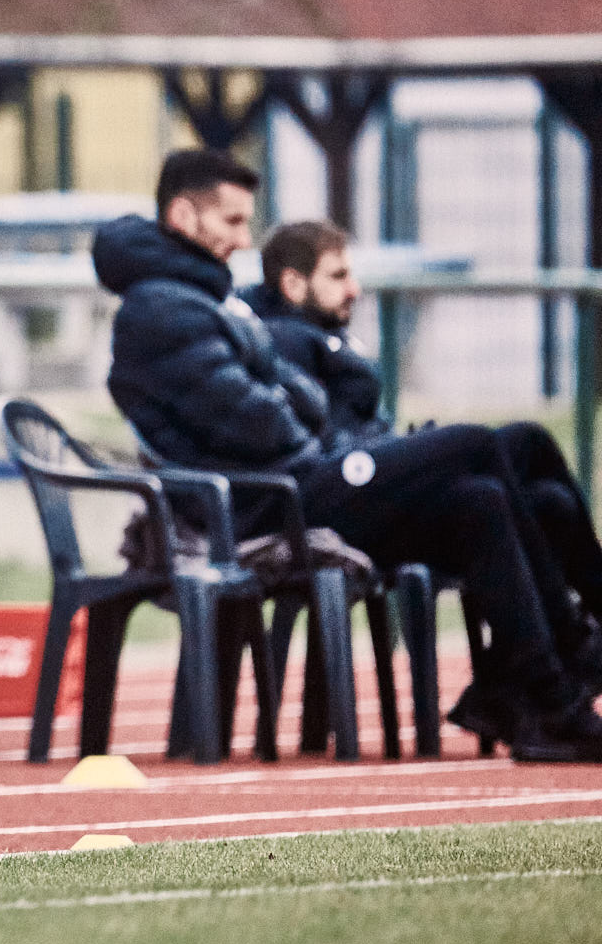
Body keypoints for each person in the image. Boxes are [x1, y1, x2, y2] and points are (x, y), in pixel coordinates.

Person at [94, 148, 602, 760]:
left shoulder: (204, 299)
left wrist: (293, 400)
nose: (243, 238)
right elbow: (260, 423)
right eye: (230, 222)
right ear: (182, 215)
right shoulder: (161, 308)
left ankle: (536, 700)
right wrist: (297, 403)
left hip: (301, 480)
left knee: (484, 494)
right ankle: (575, 649)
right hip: (271, 507)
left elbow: (285, 398)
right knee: (479, 445)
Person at [249, 219, 602, 669]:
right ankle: (572, 637)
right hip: (343, 499)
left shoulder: (324, 336)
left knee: (535, 497)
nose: (354, 288)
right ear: (294, 284)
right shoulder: (282, 338)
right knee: (491, 444)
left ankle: (531, 683)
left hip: (372, 485)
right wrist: (398, 456)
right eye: (338, 276)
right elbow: (313, 436)